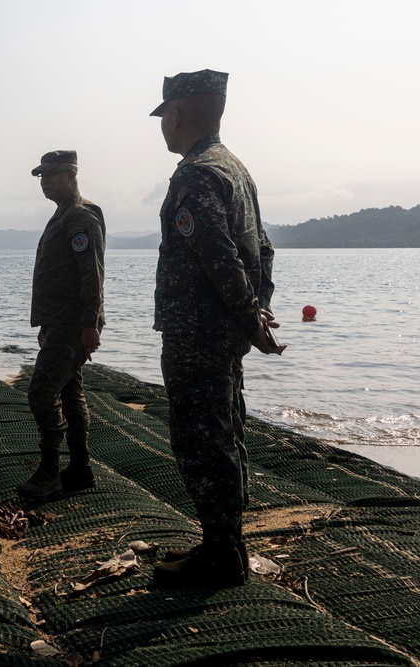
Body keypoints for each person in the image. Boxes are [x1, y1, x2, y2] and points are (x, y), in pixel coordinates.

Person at [149, 70, 286, 587]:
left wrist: (252, 316)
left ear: (178, 115)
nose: (162, 126)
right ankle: (225, 541)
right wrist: (257, 311)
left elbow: (219, 255)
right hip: (222, 329)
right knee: (225, 430)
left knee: (201, 438)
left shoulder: (196, 174)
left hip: (198, 332)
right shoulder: (235, 169)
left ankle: (220, 554)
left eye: (164, 116)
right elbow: (263, 249)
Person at [17, 150, 106, 500]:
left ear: (72, 174)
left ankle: (50, 472)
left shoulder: (81, 217)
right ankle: (80, 469)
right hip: (58, 323)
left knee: (41, 393)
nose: (45, 181)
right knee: (70, 393)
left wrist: (90, 324)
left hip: (72, 324)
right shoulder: (63, 216)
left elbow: (91, 275)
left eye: (51, 174)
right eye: (41, 176)